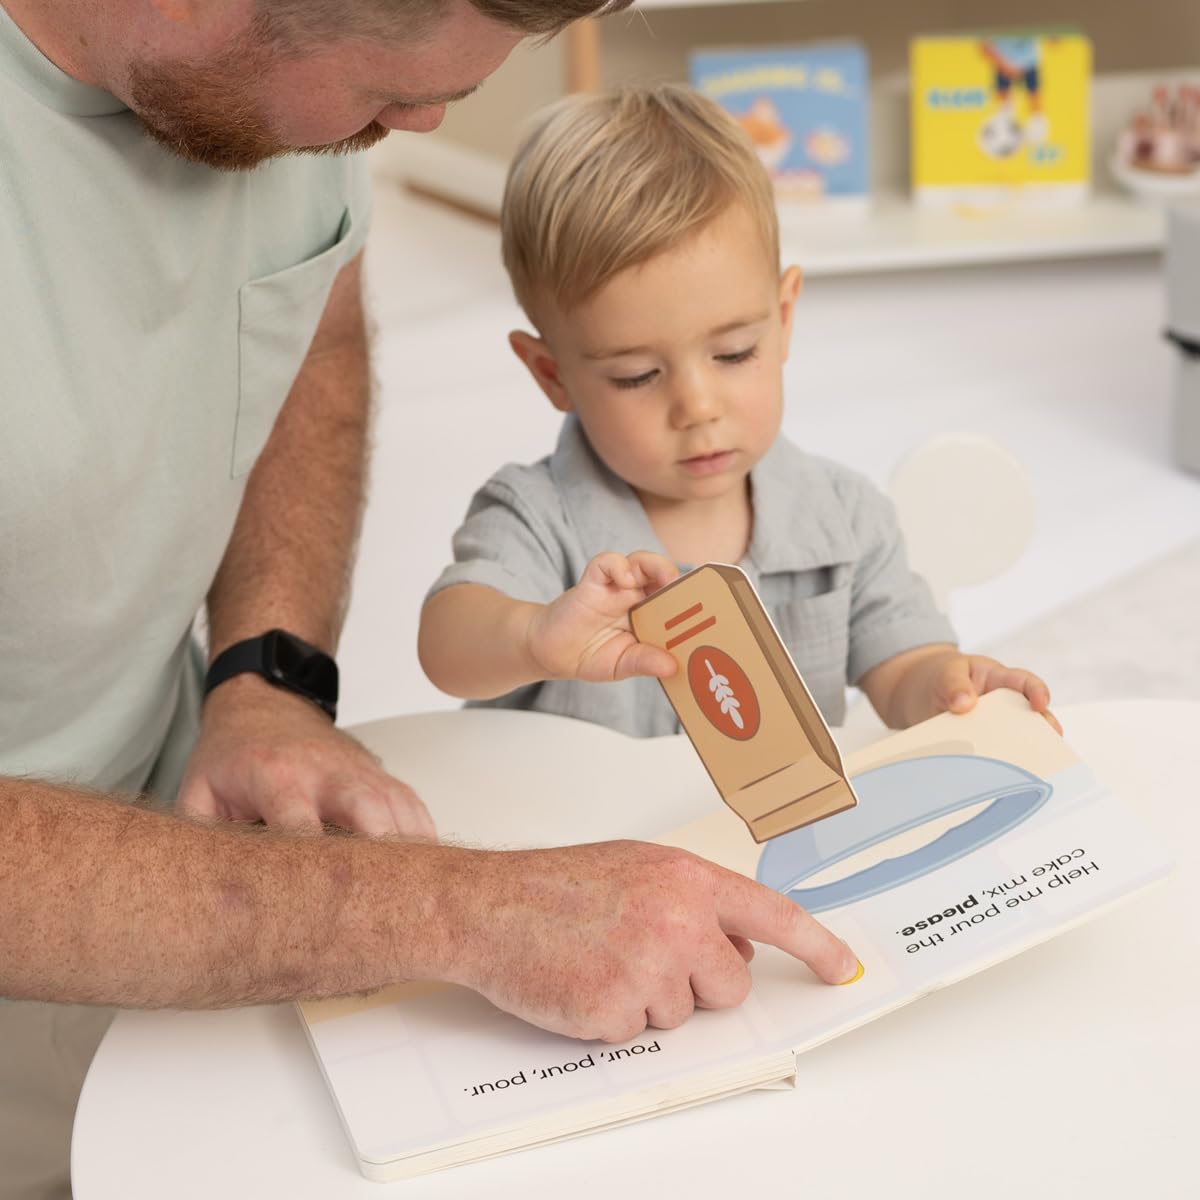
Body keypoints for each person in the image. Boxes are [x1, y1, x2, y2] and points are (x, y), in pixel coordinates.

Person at [0, 6, 858, 1198]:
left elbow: (308, 336)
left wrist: (266, 677)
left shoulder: (273, 110)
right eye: (385, 88)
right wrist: (453, 911)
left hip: (184, 904)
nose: (419, 124)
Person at [418, 84, 1061, 740]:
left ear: (782, 320)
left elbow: (903, 668)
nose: (698, 407)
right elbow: (448, 646)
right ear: (553, 374)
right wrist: (533, 635)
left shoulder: (843, 517)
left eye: (733, 353)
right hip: (577, 809)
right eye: (637, 375)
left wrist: (948, 685)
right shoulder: (535, 517)